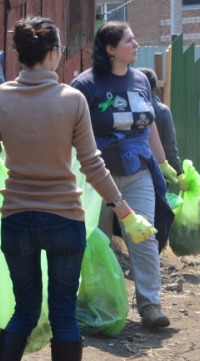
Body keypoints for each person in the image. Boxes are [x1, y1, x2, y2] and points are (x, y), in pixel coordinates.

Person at [0, 17, 154, 361]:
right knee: (64, 315)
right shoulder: (71, 100)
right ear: (53, 53)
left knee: (23, 311)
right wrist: (124, 211)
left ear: (20, 53)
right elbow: (92, 164)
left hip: (16, 221)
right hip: (63, 220)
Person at [72, 22, 178, 329]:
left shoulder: (141, 81)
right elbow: (73, 130)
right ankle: (99, 304)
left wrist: (164, 162)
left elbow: (150, 124)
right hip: (97, 177)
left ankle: (150, 304)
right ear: (110, 49)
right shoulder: (85, 86)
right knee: (98, 242)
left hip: (137, 171)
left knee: (144, 234)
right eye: (129, 41)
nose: (135, 44)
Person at [137, 67, 182, 175]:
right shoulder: (162, 111)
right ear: (154, 87)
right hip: (158, 174)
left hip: (131, 172)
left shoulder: (128, 109)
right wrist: (180, 174)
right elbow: (170, 149)